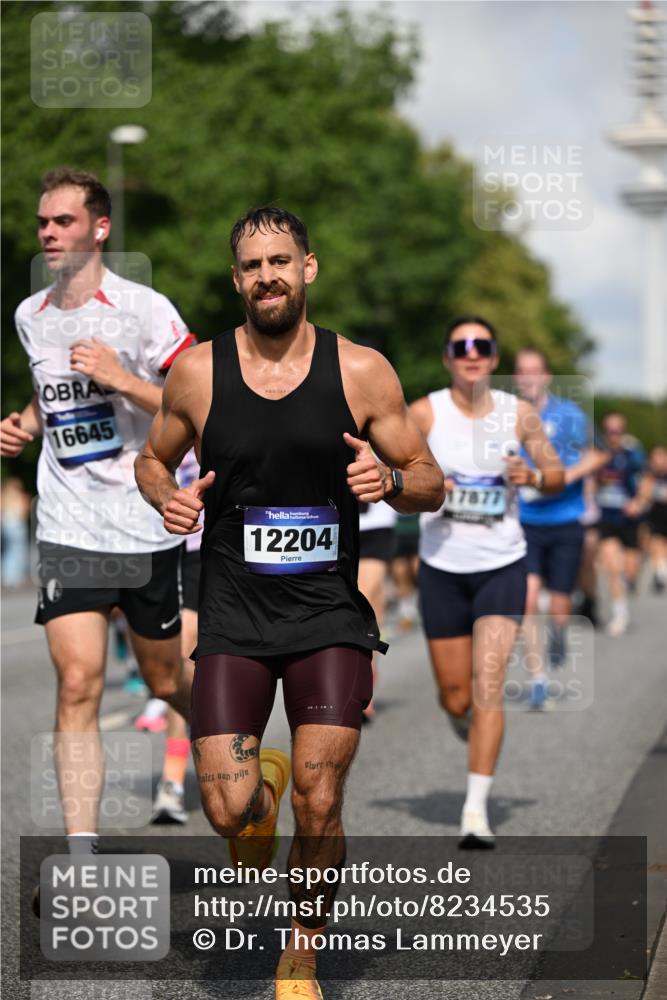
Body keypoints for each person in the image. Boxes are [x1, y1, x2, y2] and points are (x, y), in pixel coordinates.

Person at [134, 206, 444, 1000]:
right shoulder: (197, 373)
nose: (266, 277)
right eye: (251, 266)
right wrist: (168, 497)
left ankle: (300, 953)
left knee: (321, 796)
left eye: (279, 261)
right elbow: (151, 460)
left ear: (308, 268)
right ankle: (257, 794)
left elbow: (429, 482)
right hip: (234, 614)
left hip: (327, 616)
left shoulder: (361, 371)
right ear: (235, 278)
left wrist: (390, 481)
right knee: (228, 809)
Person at [0, 167, 195, 869]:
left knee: (167, 681)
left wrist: (121, 378)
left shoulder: (146, 310)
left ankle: (225, 735)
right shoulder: (31, 315)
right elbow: (49, 393)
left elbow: (197, 404)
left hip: (144, 523)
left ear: (100, 228)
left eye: (64, 221)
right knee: (79, 680)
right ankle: (82, 859)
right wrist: (24, 424)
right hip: (69, 524)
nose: (49, 233)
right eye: (43, 223)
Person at [410, 317, 564, 847]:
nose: (471, 353)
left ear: (494, 357)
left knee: (488, 685)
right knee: (456, 697)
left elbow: (556, 474)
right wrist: (429, 483)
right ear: (448, 357)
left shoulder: (518, 414)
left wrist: (532, 476)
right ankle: (464, 720)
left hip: (502, 564)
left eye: (482, 346)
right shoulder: (424, 412)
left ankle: (475, 811)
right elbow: (394, 472)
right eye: (461, 346)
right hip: (442, 569)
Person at [513, 348, 609, 708]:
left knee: (559, 603)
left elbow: (599, 453)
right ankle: (538, 680)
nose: (529, 378)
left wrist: (566, 475)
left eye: (535, 371)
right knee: (527, 597)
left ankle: (559, 630)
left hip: (566, 518)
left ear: (547, 376)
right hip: (525, 520)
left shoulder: (570, 414)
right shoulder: (508, 415)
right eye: (523, 371)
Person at [150, 447, 201, 824]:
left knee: (187, 656)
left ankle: (172, 780)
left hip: (214, 543)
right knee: (173, 668)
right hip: (163, 546)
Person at [594, 412, 645, 636]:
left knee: (629, 570)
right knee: (613, 567)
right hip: (607, 519)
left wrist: (638, 501)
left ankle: (629, 583)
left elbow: (647, 479)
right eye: (610, 431)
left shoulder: (633, 454)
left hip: (629, 519)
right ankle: (619, 614)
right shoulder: (598, 455)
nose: (614, 435)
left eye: (618, 431)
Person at [357, 498, 397, 719]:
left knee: (365, 603)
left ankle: (364, 679)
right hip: (329, 522)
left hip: (374, 524)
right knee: (372, 603)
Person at [637, 445, 667, 594]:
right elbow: (643, 494)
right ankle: (660, 573)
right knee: (656, 543)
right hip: (656, 516)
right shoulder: (648, 475)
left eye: (662, 457)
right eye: (655, 458)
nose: (659, 461)